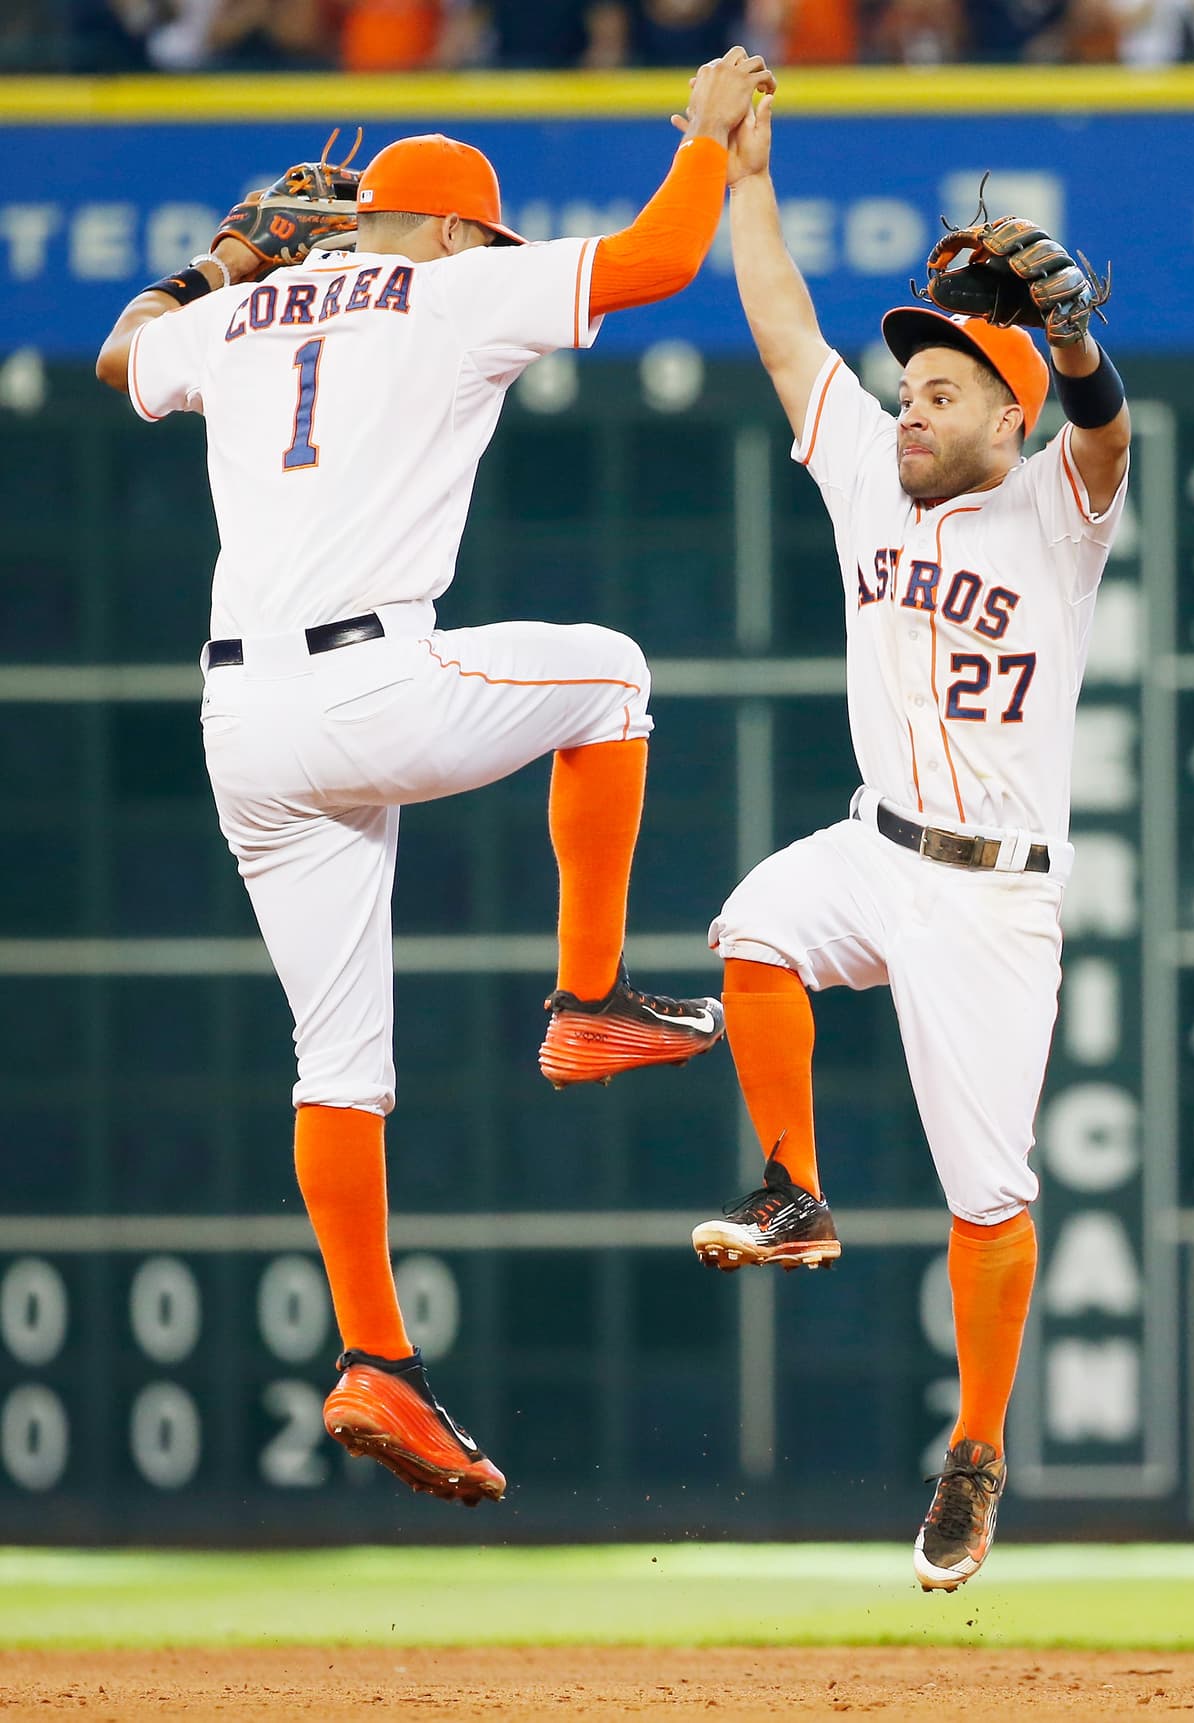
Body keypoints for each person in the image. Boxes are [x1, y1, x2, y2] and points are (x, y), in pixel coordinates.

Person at [95, 47, 773, 1508]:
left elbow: (119, 359)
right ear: (461, 228)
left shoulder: (241, 312)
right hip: (363, 683)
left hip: (238, 723)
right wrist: (711, 140)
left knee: (337, 1065)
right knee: (612, 675)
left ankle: (377, 1364)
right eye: (489, 236)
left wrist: (223, 259)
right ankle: (588, 1004)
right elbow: (659, 258)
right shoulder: (451, 286)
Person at [683, 89, 1129, 1587]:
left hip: (996, 901)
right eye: (912, 386)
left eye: (947, 389)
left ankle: (977, 1452)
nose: (915, 406)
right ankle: (794, 1193)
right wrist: (746, 175)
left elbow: (1107, 433)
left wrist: (1072, 343)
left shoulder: (1058, 514)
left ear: (1010, 419)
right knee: (754, 925)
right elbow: (783, 332)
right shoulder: (870, 475)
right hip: (877, 846)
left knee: (987, 1197)